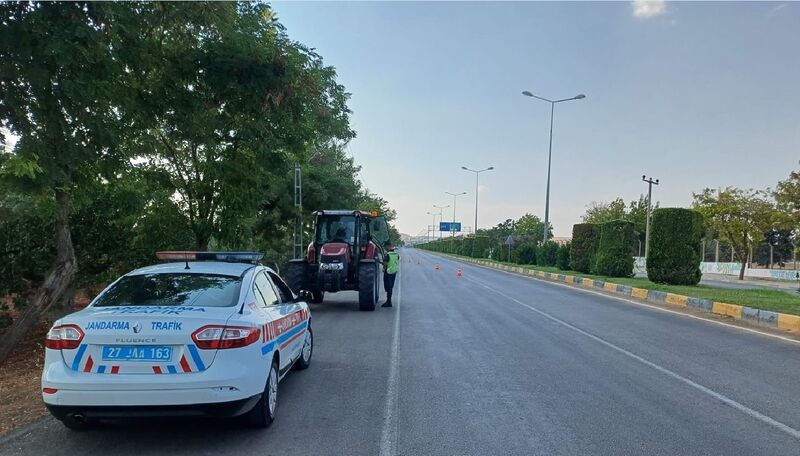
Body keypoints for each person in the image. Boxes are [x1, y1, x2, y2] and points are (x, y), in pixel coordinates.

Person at [382, 242, 399, 307]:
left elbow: (385, 264)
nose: (385, 248)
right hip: (394, 272)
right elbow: (395, 261)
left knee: (387, 286)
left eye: (385, 247)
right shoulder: (396, 254)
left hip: (388, 272)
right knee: (390, 286)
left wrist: (384, 266)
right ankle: (389, 301)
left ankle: (389, 302)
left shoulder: (387, 255)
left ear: (388, 246)